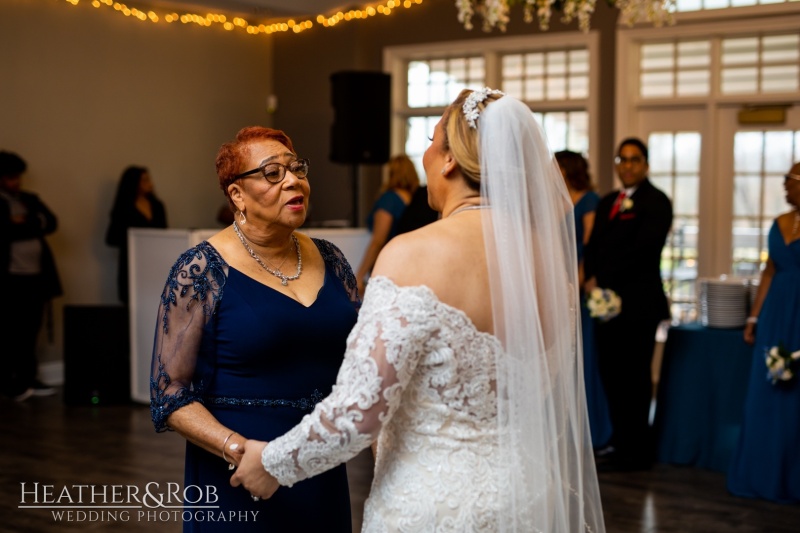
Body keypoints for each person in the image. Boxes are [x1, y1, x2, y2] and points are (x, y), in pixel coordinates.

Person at [231, 89, 605, 532]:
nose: (424, 154)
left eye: (431, 140)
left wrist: (271, 463)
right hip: (533, 498)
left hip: (438, 506)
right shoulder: (549, 270)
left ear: (449, 160)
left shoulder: (413, 254)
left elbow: (359, 413)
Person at [149, 126, 360, 532]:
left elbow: (360, 358)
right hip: (240, 473)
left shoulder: (331, 259)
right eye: (272, 173)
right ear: (237, 196)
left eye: (297, 169)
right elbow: (170, 393)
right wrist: (242, 451)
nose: (294, 181)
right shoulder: (200, 271)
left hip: (318, 463)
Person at [583, 137, 673, 471]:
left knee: (635, 378)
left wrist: (605, 278)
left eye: (634, 160)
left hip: (638, 306)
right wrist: (591, 279)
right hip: (604, 305)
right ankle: (620, 442)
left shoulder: (657, 202)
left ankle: (637, 449)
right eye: (622, 159)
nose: (628, 165)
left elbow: (643, 251)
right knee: (611, 374)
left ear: (646, 164)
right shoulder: (608, 202)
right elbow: (592, 246)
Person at [728, 164, 800, 503]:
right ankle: (760, 473)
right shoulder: (779, 222)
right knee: (766, 391)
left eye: (790, 179)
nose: (784, 184)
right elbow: (769, 271)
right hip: (775, 313)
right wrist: (754, 318)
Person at [555, 150, 612, 450]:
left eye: (559, 167)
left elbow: (590, 244)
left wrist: (577, 281)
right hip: (557, 274)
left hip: (578, 276)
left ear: (570, 170)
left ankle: (593, 428)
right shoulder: (557, 201)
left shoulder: (589, 200)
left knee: (583, 356)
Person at [0, 151, 61, 401]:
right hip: (11, 278)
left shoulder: (28, 199)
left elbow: (52, 223)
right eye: (11, 177)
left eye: (18, 177)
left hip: (37, 277)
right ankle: (10, 383)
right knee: (10, 331)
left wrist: (20, 223)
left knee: (30, 330)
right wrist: (28, 224)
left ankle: (29, 378)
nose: (17, 182)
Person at [354, 154, 418, 295]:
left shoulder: (389, 199)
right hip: (412, 266)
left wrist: (359, 276)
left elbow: (378, 240)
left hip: (389, 266)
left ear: (391, 173)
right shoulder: (418, 201)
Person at [105, 165, 167, 303]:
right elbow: (111, 238)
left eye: (149, 179)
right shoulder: (124, 207)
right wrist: (135, 238)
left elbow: (164, 233)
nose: (150, 183)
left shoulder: (157, 206)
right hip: (131, 263)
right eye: (144, 180)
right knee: (132, 301)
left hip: (154, 261)